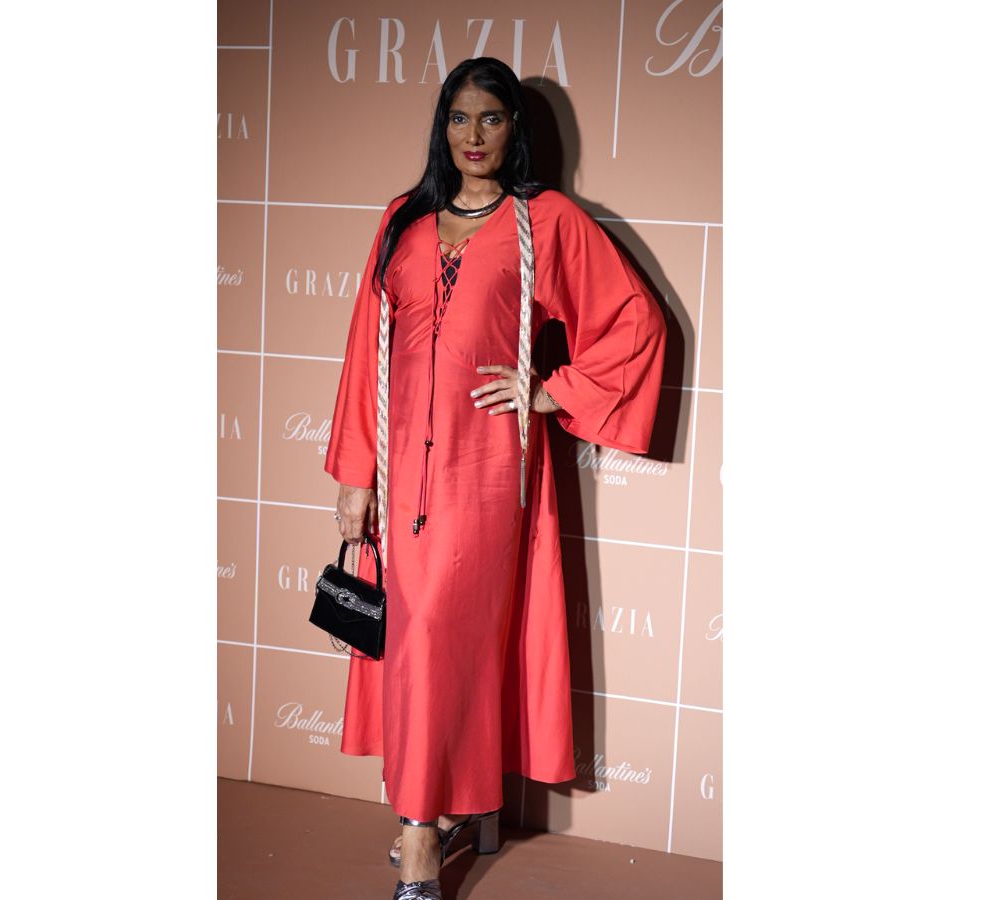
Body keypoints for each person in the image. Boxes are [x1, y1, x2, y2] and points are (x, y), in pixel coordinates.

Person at [324, 57, 667, 900]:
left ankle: (419, 838)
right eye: (458, 118)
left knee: (443, 639)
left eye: (490, 118)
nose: (472, 136)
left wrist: (550, 391)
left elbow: (635, 322)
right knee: (412, 644)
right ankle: (447, 809)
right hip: (400, 475)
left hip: (485, 477)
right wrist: (357, 474)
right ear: (440, 127)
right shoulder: (402, 219)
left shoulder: (544, 221)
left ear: (515, 129)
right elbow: (364, 352)